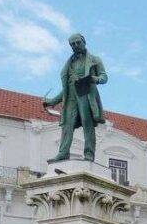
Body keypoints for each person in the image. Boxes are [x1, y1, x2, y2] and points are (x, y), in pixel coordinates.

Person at [43, 33, 108, 162]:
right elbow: (66, 89)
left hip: (86, 95)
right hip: (72, 97)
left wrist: (93, 79)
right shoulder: (69, 64)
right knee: (67, 125)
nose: (76, 46)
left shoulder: (95, 59)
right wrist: (52, 101)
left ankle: (89, 154)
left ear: (84, 42)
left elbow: (104, 77)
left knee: (87, 124)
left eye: (78, 42)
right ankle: (63, 153)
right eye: (72, 44)